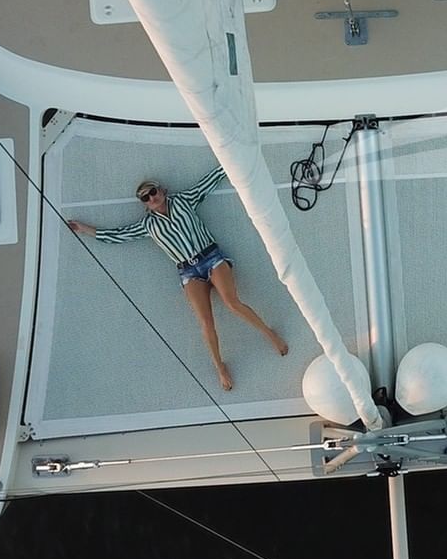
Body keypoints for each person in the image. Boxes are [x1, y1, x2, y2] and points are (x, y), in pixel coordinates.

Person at [67, 167, 286, 391]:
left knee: (231, 303)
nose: (152, 198)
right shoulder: (148, 225)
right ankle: (220, 367)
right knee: (205, 321)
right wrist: (84, 229)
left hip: (211, 257)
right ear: (144, 204)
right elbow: (116, 235)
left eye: (153, 192)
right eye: (146, 197)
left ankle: (270, 334)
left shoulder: (184, 200)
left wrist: (231, 158)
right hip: (188, 272)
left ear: (162, 190)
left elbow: (210, 180)